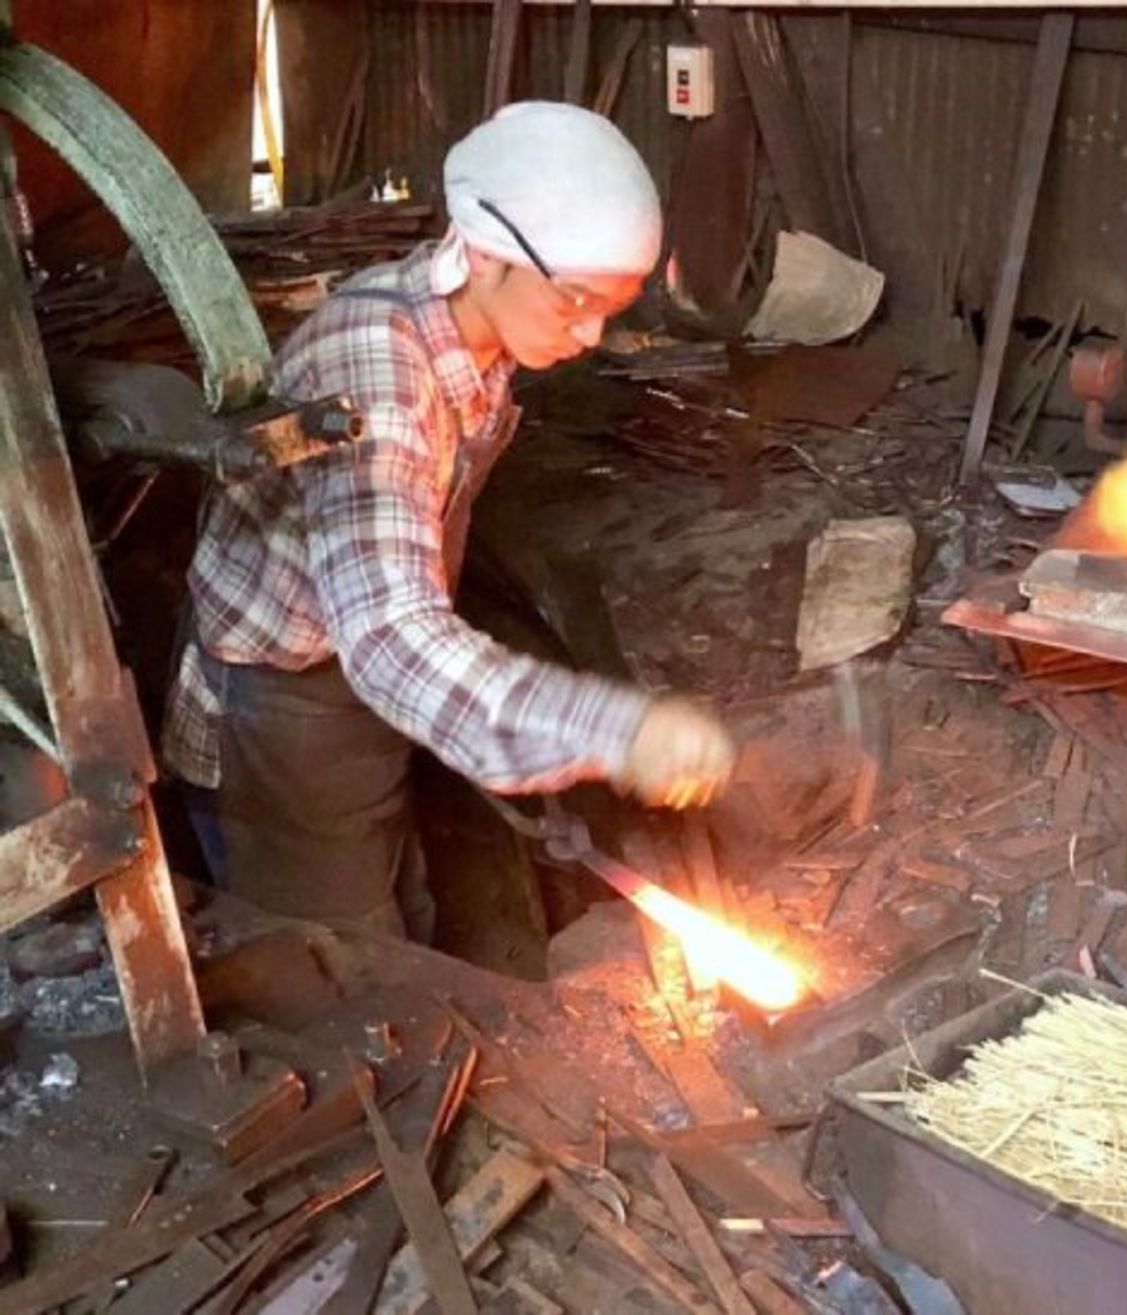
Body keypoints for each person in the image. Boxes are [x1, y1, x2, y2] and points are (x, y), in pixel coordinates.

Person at [162, 102, 734, 937]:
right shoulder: (376, 370)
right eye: (576, 298)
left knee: (407, 902)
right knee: (340, 968)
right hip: (282, 706)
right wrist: (618, 731)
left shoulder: (477, 334)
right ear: (489, 256)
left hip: (359, 677)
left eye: (614, 303)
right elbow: (391, 634)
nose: (591, 330)